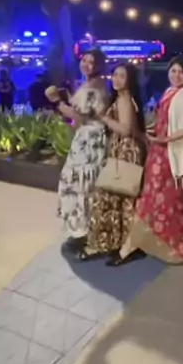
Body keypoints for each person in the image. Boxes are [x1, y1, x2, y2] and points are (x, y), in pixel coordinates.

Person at [113, 55, 183, 266]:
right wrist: (154, 131)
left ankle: (154, 245)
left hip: (171, 156)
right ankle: (137, 243)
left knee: (166, 201)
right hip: (159, 153)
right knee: (152, 198)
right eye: (173, 71)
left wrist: (164, 139)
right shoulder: (170, 92)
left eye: (181, 72)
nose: (176, 75)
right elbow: (165, 120)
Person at [77, 64, 146, 261]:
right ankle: (120, 243)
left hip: (124, 153)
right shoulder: (125, 98)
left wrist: (104, 118)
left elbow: (125, 130)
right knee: (120, 201)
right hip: (124, 152)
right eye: (115, 75)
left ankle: (105, 244)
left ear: (129, 79)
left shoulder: (124, 100)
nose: (116, 79)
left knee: (105, 198)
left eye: (122, 76)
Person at [48, 50, 109, 253]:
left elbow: (80, 117)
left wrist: (57, 102)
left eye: (92, 62)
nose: (87, 64)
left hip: (90, 142)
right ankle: (81, 230)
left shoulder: (94, 88)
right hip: (85, 139)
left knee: (81, 186)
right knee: (77, 184)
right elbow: (80, 119)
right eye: (85, 60)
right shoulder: (89, 84)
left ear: (99, 66)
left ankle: (84, 233)